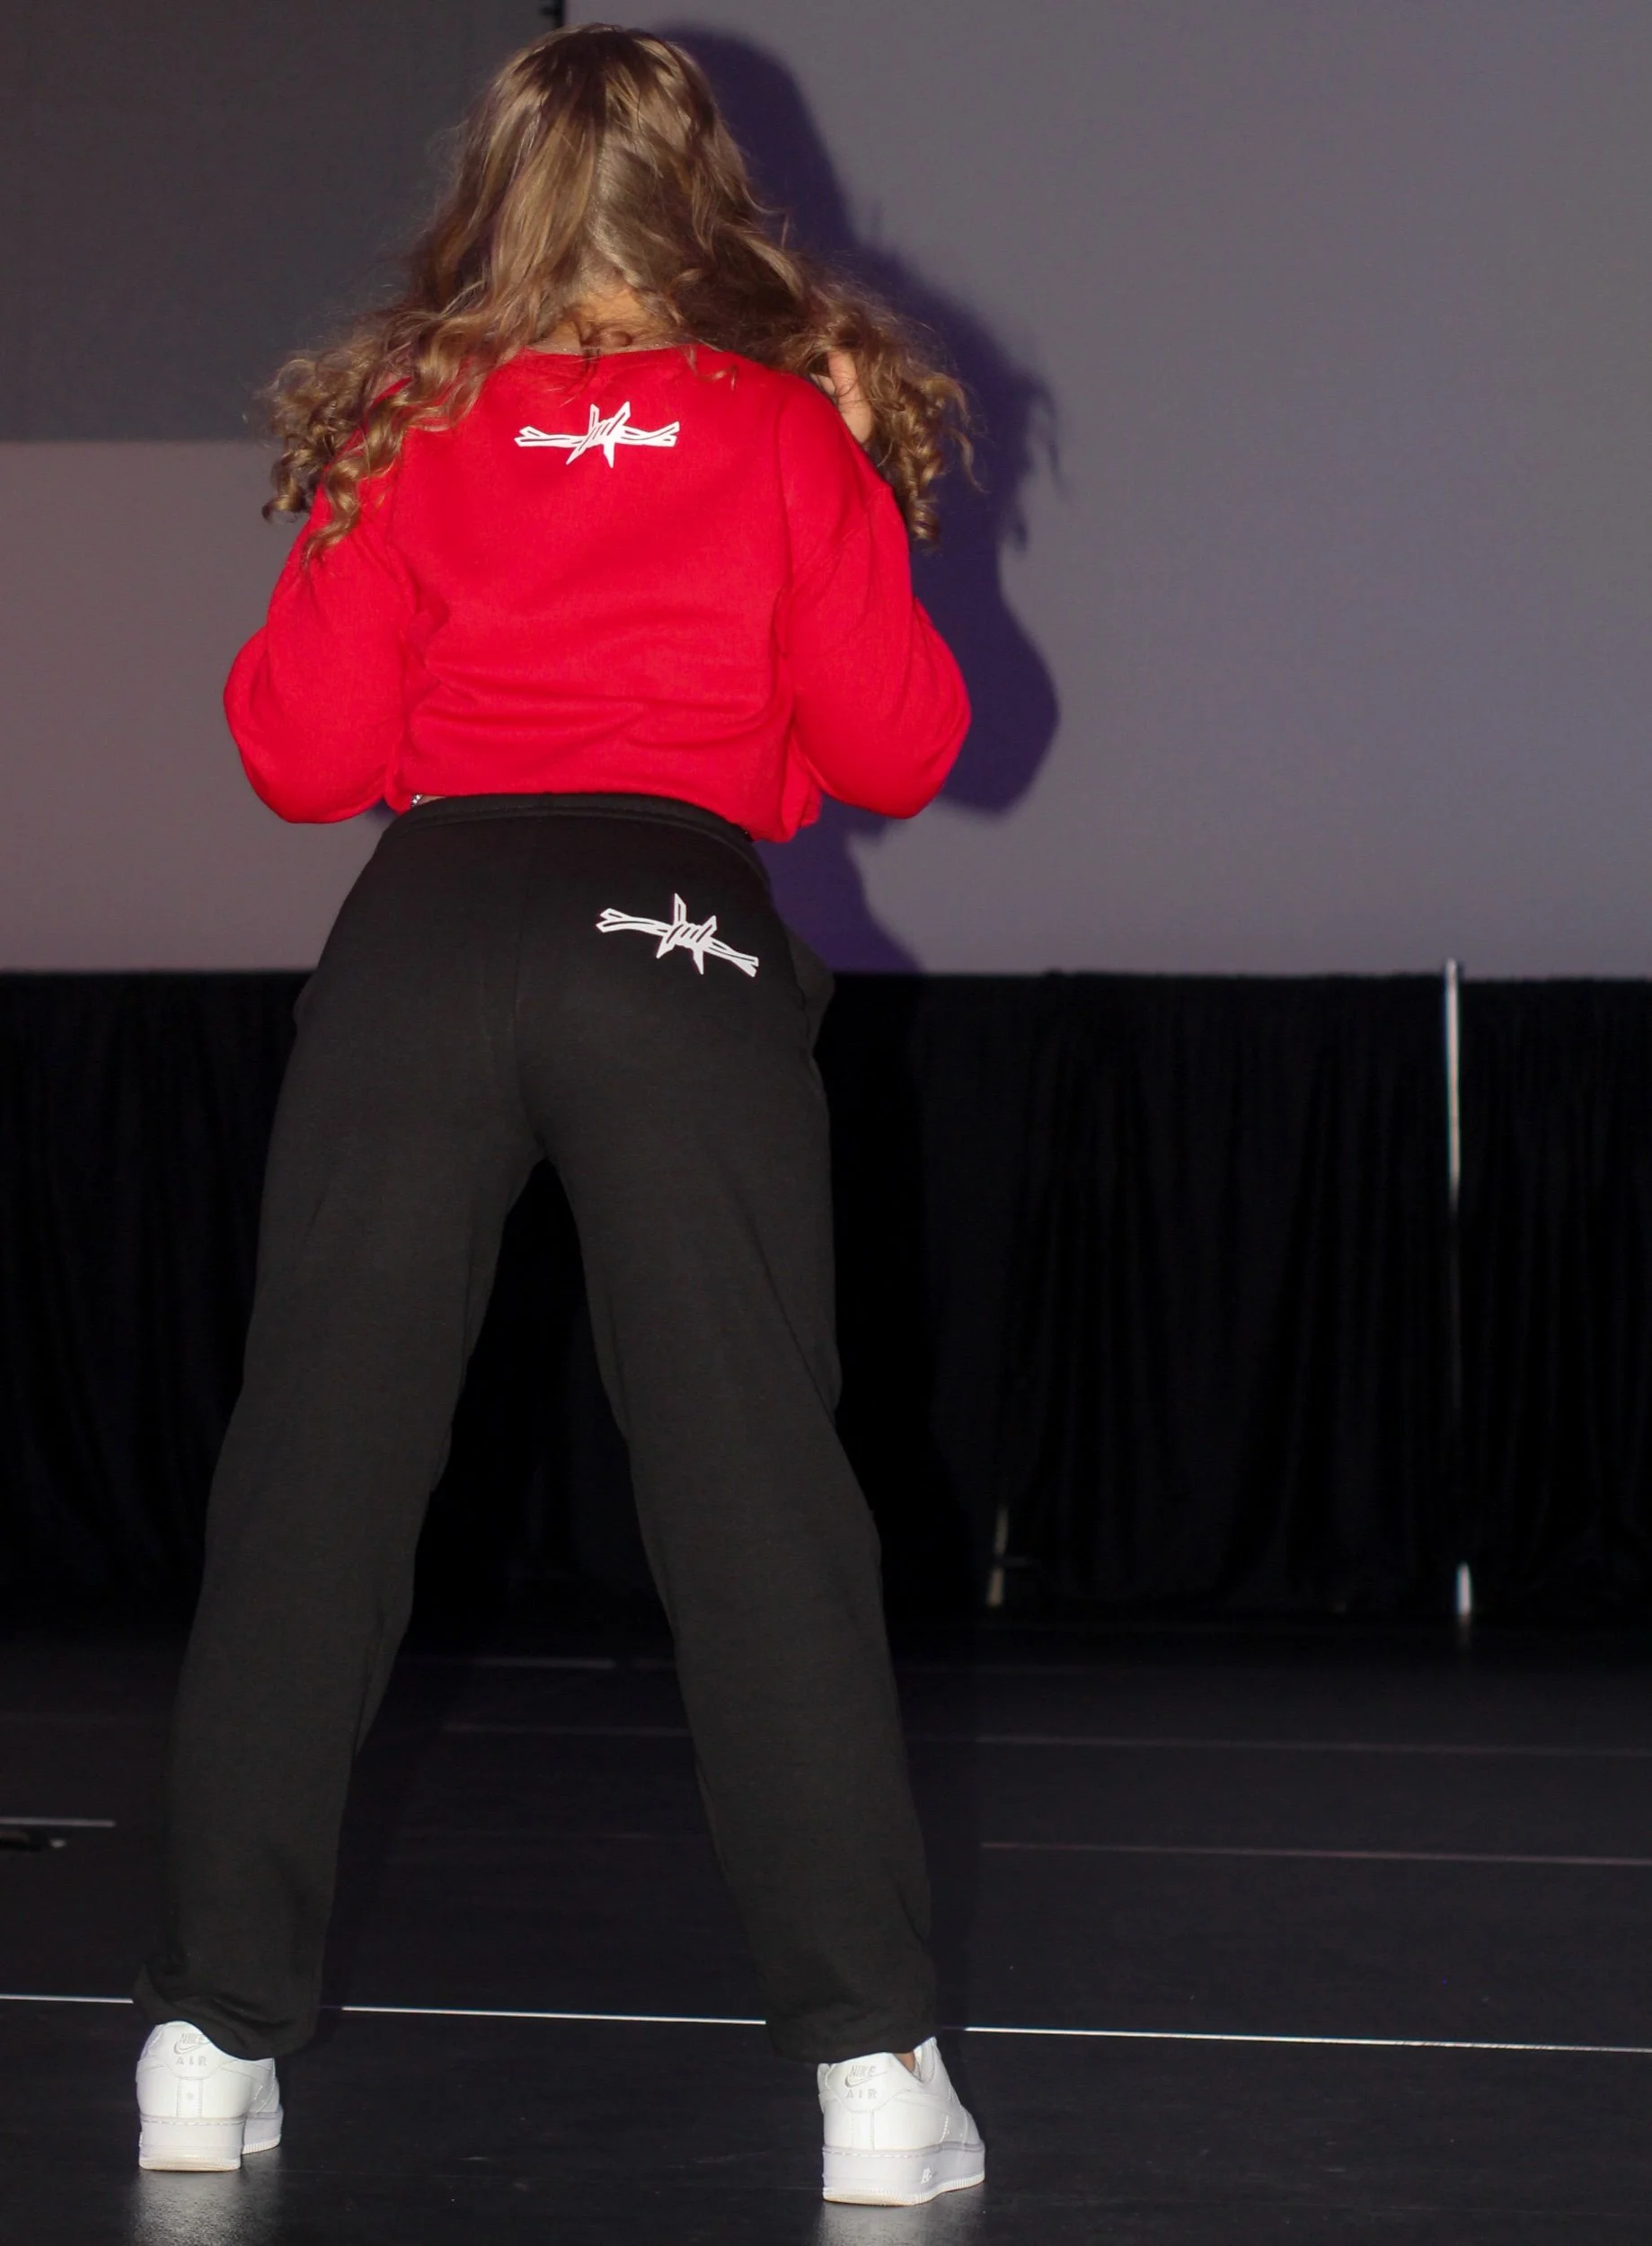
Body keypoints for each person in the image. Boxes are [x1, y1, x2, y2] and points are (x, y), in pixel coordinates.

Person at [129, 23, 985, 2211]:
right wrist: (837, 498)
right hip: (666, 930)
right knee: (754, 1493)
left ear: (493, 186)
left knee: (311, 1479)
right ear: (703, 192)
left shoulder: (409, 419)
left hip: (421, 937)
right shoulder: (782, 422)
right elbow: (901, 746)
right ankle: (873, 2072)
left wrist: (375, 512)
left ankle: (205, 2040)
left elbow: (302, 761)